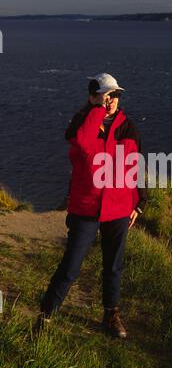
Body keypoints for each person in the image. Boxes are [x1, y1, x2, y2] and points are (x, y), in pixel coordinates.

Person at [36, 73, 147, 339]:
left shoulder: (128, 127)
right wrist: (96, 111)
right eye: (106, 95)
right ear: (93, 96)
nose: (112, 100)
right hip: (86, 208)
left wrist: (139, 202)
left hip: (119, 208)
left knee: (113, 266)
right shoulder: (81, 123)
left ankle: (111, 315)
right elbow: (84, 147)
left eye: (116, 95)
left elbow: (136, 164)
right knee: (71, 266)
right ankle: (46, 316)